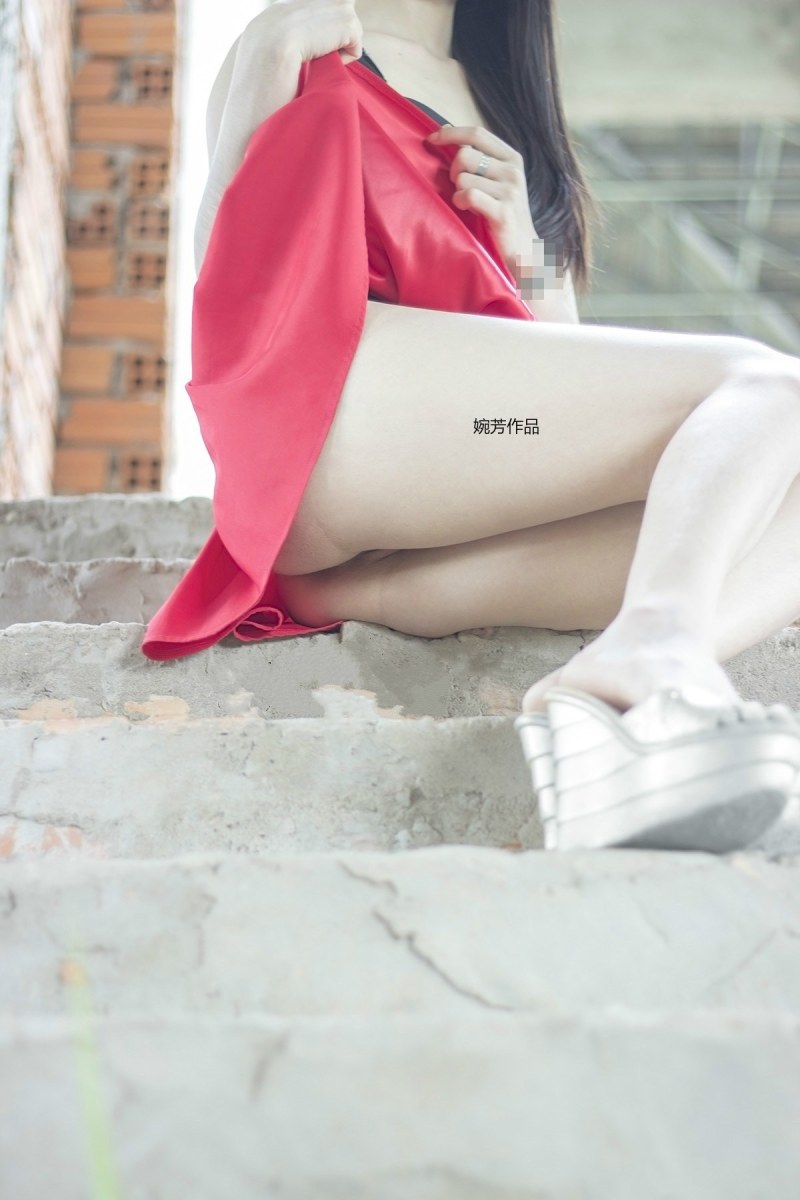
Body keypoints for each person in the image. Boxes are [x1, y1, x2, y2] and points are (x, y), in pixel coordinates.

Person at [196, 0, 800, 849]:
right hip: (335, 414)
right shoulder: (304, 32)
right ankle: (657, 650)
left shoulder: (506, 101)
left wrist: (531, 260)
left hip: (486, 436)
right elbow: (225, 282)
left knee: (758, 486)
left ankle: (602, 697)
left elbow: (571, 389)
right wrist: (265, 58)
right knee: (772, 386)